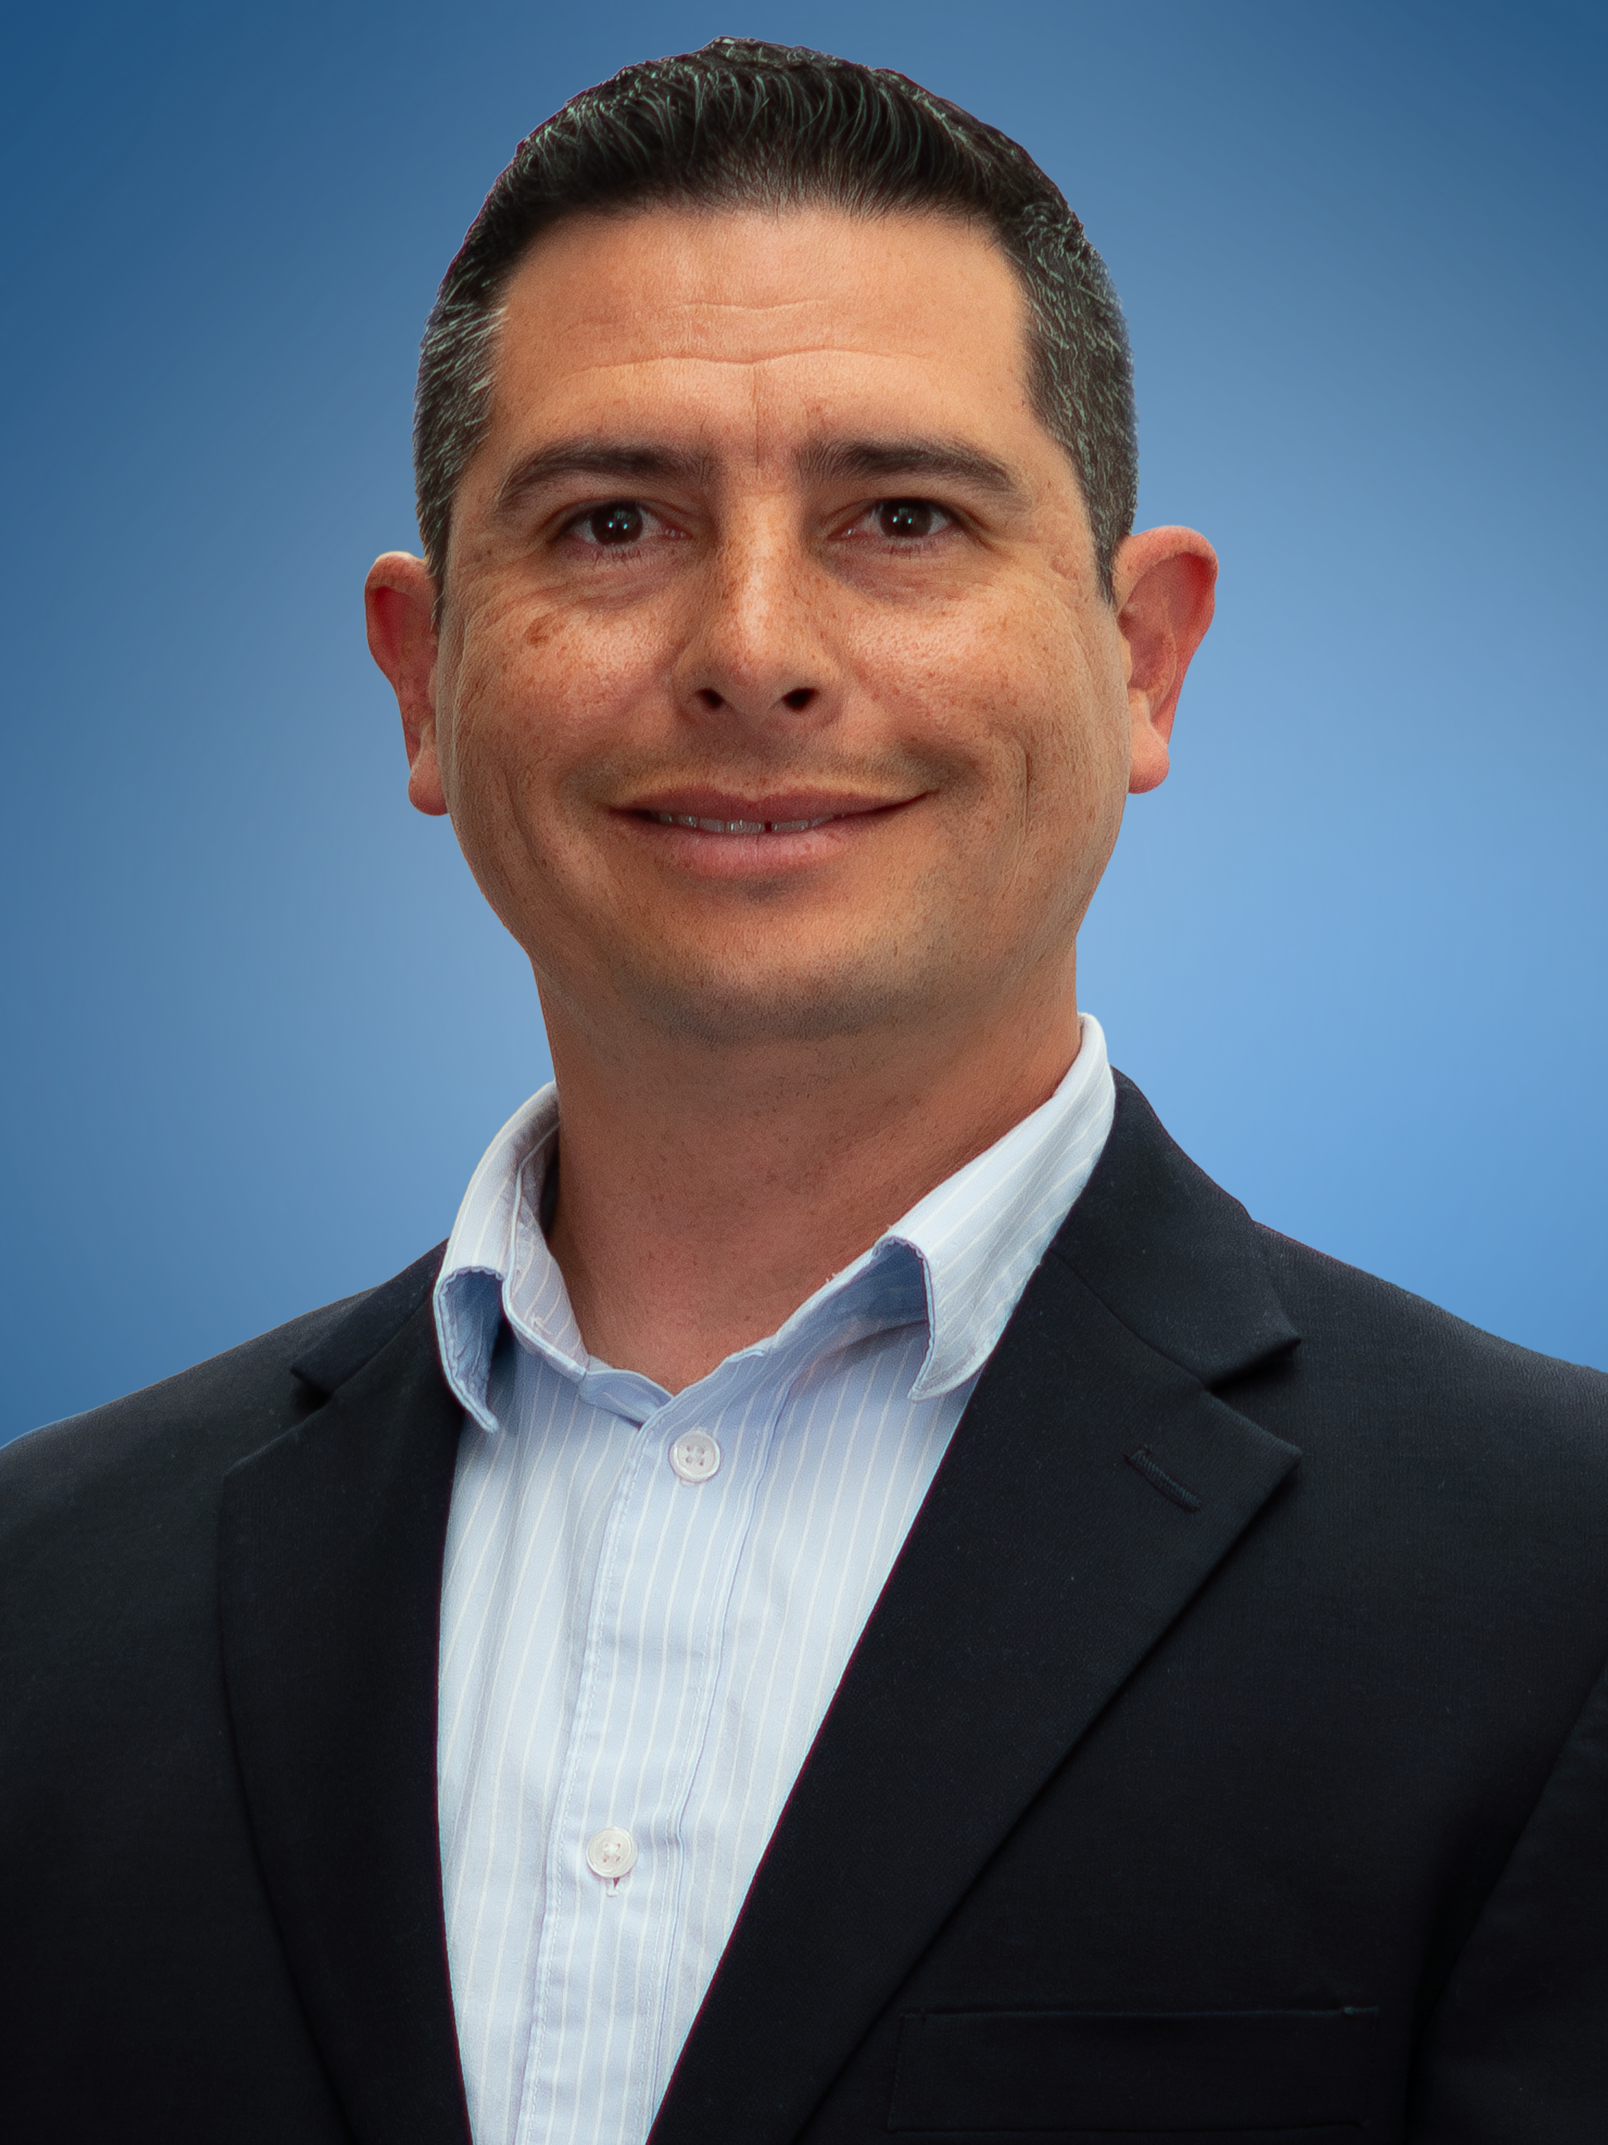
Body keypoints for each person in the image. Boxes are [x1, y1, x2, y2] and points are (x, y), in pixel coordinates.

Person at [1, 37, 1604, 2145]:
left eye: (905, 515)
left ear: (1147, 659)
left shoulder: (1558, 1591)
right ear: (422, 677)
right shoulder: (40, 1599)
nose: (754, 646)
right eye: (612, 520)